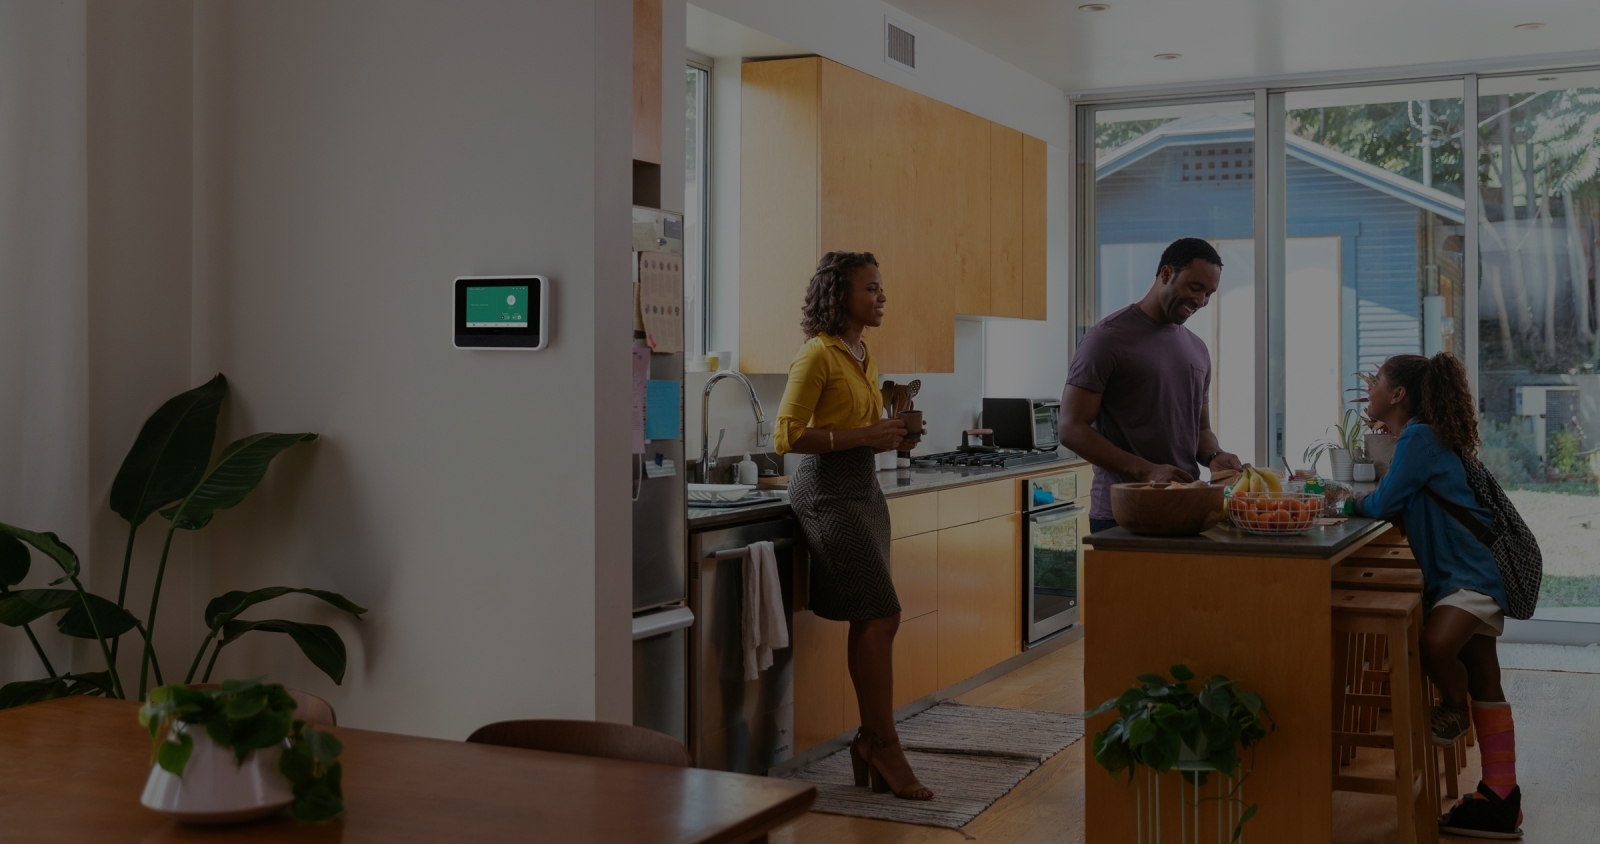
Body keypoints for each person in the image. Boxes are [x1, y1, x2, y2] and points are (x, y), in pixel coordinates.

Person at [773, 251, 932, 801]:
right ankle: (882, 742)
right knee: (881, 612)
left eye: (881, 287)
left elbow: (857, 426)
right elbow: (787, 436)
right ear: (841, 296)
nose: (882, 296)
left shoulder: (862, 354)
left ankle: (871, 740)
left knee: (874, 617)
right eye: (871, 288)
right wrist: (867, 436)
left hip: (864, 489)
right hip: (827, 491)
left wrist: (892, 435)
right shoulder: (816, 355)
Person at [1351, 352, 1524, 838]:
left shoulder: (1419, 436)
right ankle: (1501, 797)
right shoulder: (1419, 437)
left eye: (1377, 381)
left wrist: (1342, 502)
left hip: (1468, 574)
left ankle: (1452, 707)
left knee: (1434, 646)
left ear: (1398, 395)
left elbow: (1386, 502)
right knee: (1486, 684)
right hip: (1465, 571)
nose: (1371, 388)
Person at [1059, 237, 1244, 533]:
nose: (1201, 301)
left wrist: (1214, 456)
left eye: (1209, 293)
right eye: (1195, 288)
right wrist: (1146, 470)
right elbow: (1070, 427)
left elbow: (1200, 429)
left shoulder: (1197, 349)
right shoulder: (1107, 338)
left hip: (1186, 508)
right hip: (1123, 514)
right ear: (1166, 274)